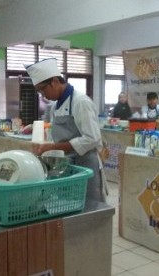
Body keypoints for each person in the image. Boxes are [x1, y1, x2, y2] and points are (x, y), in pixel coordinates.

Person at [25, 58, 105, 203]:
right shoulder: (56, 106)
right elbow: (56, 133)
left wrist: (54, 147)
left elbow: (92, 138)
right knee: (69, 203)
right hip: (68, 162)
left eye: (43, 89)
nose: (43, 95)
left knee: (88, 206)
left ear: (54, 81)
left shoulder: (81, 102)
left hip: (85, 164)